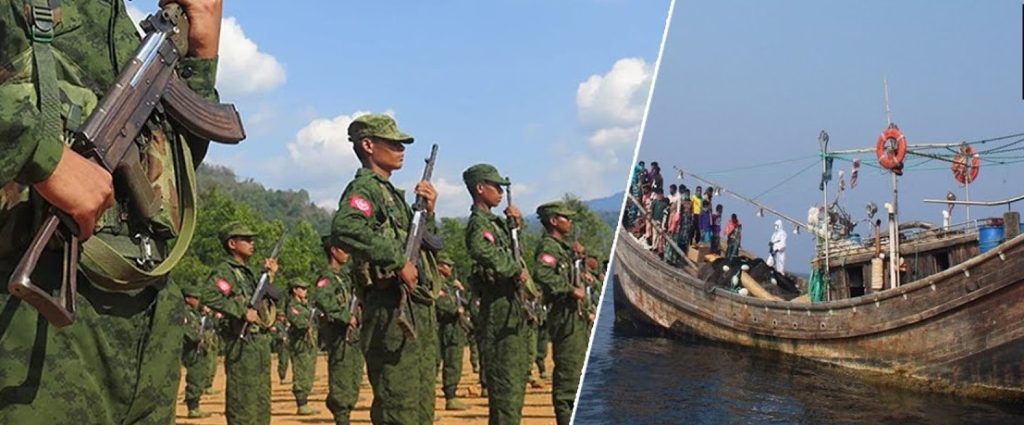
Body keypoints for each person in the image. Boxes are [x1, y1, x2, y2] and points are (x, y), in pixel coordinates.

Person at [0, 1, 224, 422]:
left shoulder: (125, 31)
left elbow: (169, 172)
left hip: (146, 327)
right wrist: (43, 156)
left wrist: (200, 57)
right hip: (36, 330)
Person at [331, 114, 440, 424]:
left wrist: (428, 214)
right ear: (368, 145)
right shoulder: (365, 189)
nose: (401, 149)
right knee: (398, 408)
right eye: (393, 143)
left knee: (419, 407)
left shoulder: (391, 195)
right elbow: (346, 227)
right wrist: (396, 261)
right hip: (389, 309)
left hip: (410, 307)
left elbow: (421, 246)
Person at [462, 163, 533, 424]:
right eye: (496, 186)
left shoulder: (497, 224)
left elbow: (517, 254)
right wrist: (513, 269)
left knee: (513, 385)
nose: (501, 192)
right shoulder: (479, 224)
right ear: (480, 188)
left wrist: (517, 228)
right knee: (504, 387)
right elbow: (480, 250)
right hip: (497, 308)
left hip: (510, 307)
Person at [201, 221, 279, 425]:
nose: (252, 243)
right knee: (242, 402)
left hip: (259, 344)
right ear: (232, 244)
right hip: (242, 345)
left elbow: (269, 300)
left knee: (261, 401)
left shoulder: (249, 273)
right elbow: (209, 296)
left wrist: (269, 276)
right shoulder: (225, 271)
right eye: (246, 239)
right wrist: (241, 312)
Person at [533, 201, 588, 425]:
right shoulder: (549, 247)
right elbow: (542, 273)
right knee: (568, 379)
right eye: (566, 218)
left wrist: (578, 260)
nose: (570, 222)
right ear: (554, 221)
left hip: (574, 318)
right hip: (565, 318)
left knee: (577, 373)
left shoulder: (563, 248)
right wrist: (570, 290)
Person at [313, 236, 364, 425]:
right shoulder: (327, 277)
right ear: (334, 250)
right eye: (344, 249)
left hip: (352, 336)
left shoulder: (344, 277)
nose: (347, 253)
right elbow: (323, 299)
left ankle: (343, 408)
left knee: (353, 377)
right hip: (339, 335)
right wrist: (345, 316)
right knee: (341, 377)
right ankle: (341, 416)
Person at [434, 252, 471, 411]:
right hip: (442, 328)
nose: (450, 268)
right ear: (440, 266)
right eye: (448, 265)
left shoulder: (449, 287)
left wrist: (461, 291)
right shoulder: (436, 284)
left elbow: (466, 304)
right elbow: (442, 304)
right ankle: (447, 397)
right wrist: (457, 310)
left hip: (453, 329)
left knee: (454, 362)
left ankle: (451, 396)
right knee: (440, 364)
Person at [285, 278, 320, 416]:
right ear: (295, 290)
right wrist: (310, 320)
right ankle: (301, 404)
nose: (305, 291)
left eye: (306, 288)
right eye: (302, 288)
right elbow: (299, 322)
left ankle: (305, 402)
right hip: (300, 344)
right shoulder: (293, 306)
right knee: (301, 372)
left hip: (309, 343)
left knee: (309, 372)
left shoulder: (306, 305)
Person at [182, 286, 217, 418]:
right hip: (191, 350)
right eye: (194, 298)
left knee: (200, 376)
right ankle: (193, 408)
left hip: (199, 349)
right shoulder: (184, 312)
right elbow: (187, 330)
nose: (197, 300)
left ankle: (195, 405)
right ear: (187, 299)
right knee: (194, 377)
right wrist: (198, 338)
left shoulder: (195, 313)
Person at [271, 312, 291, 385]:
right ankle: (282, 377)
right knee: (283, 361)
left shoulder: (285, 324)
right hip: (281, 345)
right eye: (281, 316)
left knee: (286, 362)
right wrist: (281, 337)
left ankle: (284, 376)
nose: (282, 318)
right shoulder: (276, 325)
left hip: (287, 345)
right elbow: (273, 335)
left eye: (283, 316)